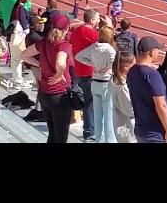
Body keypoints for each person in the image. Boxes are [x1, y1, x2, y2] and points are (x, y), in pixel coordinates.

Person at [21, 13, 73, 143]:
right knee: (61, 136)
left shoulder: (44, 42)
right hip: (59, 95)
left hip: (44, 93)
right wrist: (59, 75)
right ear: (66, 29)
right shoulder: (63, 45)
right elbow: (61, 62)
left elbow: (24, 55)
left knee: (52, 134)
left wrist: (39, 64)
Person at [75, 26, 117, 143]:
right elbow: (114, 62)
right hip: (106, 84)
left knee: (98, 116)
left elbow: (78, 56)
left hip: (95, 83)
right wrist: (107, 68)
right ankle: (110, 141)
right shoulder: (110, 49)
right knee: (109, 116)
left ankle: (99, 139)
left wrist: (92, 64)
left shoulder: (93, 47)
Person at [127, 36, 167, 143]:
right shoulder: (152, 75)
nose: (158, 53)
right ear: (151, 52)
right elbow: (161, 104)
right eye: (157, 50)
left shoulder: (132, 71)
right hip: (155, 132)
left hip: (140, 129)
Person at [70, 8, 100, 142]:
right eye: (98, 18)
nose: (99, 20)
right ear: (92, 20)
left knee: (85, 99)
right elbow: (105, 45)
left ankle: (88, 128)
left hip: (78, 69)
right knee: (90, 102)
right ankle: (89, 132)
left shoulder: (76, 31)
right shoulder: (92, 33)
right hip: (89, 71)